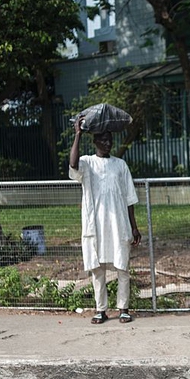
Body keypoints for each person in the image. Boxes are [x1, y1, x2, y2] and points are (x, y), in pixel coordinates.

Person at [69, 117, 142, 324]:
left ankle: (123, 308)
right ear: (95, 142)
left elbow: (129, 198)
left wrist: (134, 227)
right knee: (97, 269)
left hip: (119, 224)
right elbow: (73, 165)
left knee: (122, 268)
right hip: (96, 225)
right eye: (103, 140)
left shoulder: (120, 165)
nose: (107, 143)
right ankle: (101, 310)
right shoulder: (87, 162)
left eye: (110, 139)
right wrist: (78, 134)